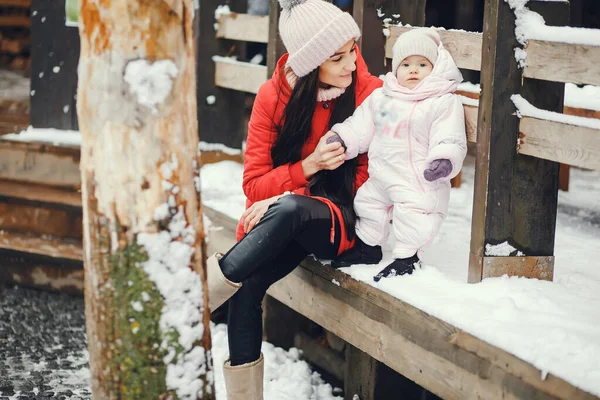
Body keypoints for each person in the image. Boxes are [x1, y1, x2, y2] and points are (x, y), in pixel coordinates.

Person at [205, 0, 382, 398]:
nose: (351, 63)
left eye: (353, 49)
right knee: (247, 288)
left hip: (346, 221)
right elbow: (254, 185)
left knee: (287, 209)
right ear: (310, 64)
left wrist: (289, 194)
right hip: (288, 218)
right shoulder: (273, 97)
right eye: (337, 57)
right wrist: (307, 167)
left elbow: (367, 186)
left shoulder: (371, 95)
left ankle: (199, 297)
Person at [329, 28, 467, 282]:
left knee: (413, 213)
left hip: (418, 177)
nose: (413, 70)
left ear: (435, 68)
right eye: (406, 64)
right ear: (395, 69)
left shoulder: (441, 102)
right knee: (367, 203)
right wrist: (342, 138)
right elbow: (362, 125)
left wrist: (444, 159)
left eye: (422, 64)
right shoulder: (383, 98)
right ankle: (368, 247)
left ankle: (408, 257)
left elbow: (449, 135)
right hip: (382, 174)